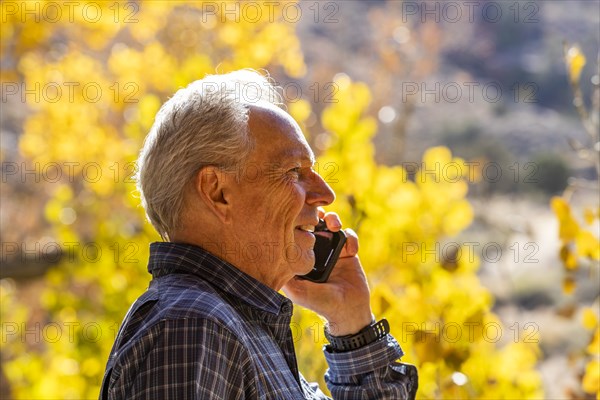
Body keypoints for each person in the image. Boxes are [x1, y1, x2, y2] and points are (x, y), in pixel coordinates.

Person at [100, 70, 418, 399]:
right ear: (218, 191)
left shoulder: (236, 329)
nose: (325, 194)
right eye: (294, 172)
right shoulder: (192, 326)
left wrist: (350, 318)